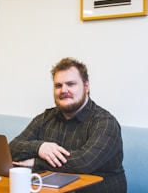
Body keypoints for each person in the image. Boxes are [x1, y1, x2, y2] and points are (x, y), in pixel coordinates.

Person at [9, 57, 127, 193]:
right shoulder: (45, 118)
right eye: (58, 85)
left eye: (71, 84)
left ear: (86, 86)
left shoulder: (105, 122)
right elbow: (12, 148)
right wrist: (39, 147)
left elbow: (84, 163)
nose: (63, 90)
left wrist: (36, 162)